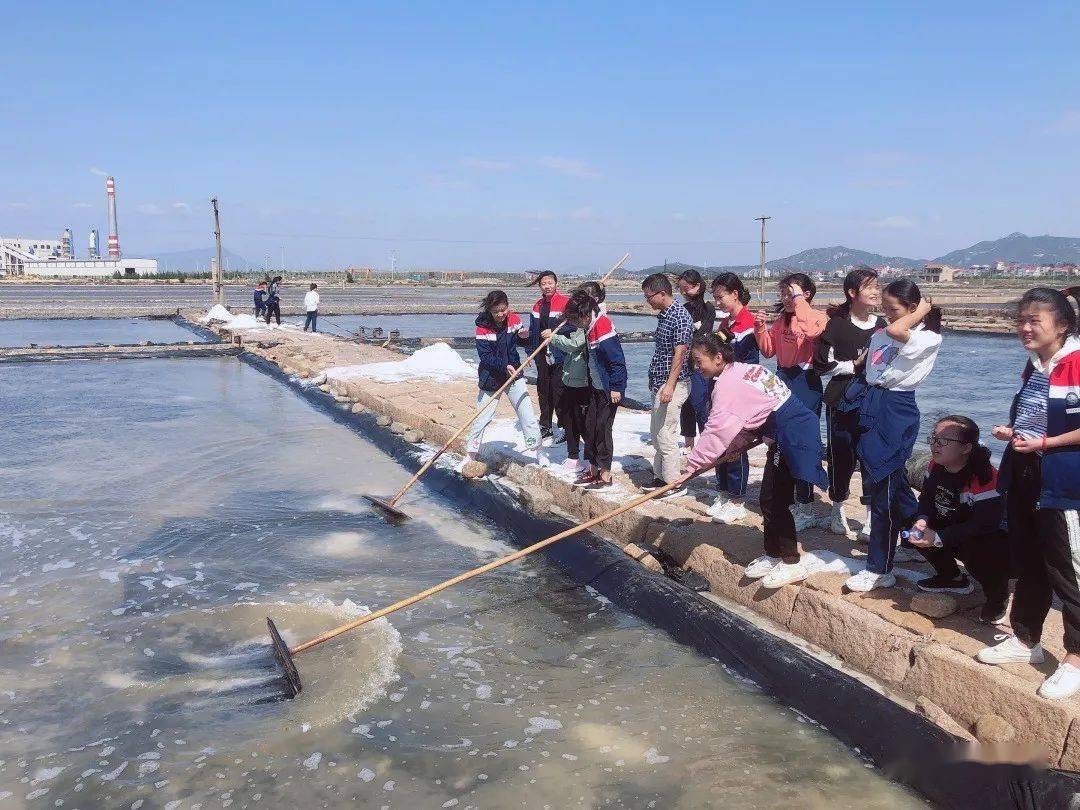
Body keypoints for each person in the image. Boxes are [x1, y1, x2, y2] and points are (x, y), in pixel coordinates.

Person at [978, 287, 1080, 700]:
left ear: (1063, 325)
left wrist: (1045, 445)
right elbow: (1034, 411)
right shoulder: (1036, 363)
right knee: (1028, 558)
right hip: (1024, 470)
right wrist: (1017, 434)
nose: (1024, 328)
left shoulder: (1076, 363)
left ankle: (1076, 659)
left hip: (1064, 479)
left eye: (1033, 320)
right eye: (1020, 319)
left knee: (1068, 569)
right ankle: (1026, 640)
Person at [685, 333, 829, 588]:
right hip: (781, 432)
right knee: (770, 499)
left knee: (775, 500)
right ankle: (773, 554)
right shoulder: (742, 369)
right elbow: (753, 416)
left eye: (699, 361)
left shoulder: (729, 384)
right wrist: (735, 447)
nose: (697, 368)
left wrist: (693, 465)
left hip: (792, 432)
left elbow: (718, 429)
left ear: (718, 358)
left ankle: (791, 561)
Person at [845, 278, 942, 592]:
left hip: (896, 408)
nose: (887, 315)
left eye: (893, 309)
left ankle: (879, 567)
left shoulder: (927, 337)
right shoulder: (882, 333)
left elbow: (899, 331)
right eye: (884, 308)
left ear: (913, 309)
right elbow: (871, 365)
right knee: (887, 480)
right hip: (871, 400)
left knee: (883, 490)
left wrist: (923, 311)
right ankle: (919, 534)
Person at [903, 416, 1009, 622]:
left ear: (966, 447)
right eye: (933, 438)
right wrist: (922, 520)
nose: (935, 445)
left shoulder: (985, 478)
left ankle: (997, 598)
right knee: (912, 528)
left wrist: (938, 537)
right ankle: (952, 577)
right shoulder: (935, 466)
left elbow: (985, 524)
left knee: (980, 552)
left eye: (943, 441)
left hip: (992, 536)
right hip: (953, 524)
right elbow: (926, 498)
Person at [813, 267, 885, 536]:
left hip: (873, 399)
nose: (876, 291)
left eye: (877, 286)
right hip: (841, 398)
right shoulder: (837, 324)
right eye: (869, 287)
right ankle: (837, 508)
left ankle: (869, 516)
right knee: (840, 455)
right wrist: (853, 364)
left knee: (871, 456)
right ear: (852, 293)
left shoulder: (882, 326)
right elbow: (820, 364)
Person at [755, 273, 828, 531]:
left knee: (804, 441)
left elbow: (811, 332)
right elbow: (767, 351)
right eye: (783, 294)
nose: (785, 298)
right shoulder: (782, 320)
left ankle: (807, 504)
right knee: (780, 439)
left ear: (806, 294)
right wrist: (761, 327)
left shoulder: (818, 316)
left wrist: (798, 305)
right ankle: (788, 496)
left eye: (791, 293)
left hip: (806, 381)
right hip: (783, 377)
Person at [551, 290, 626, 488]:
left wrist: (617, 387)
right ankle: (593, 469)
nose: (574, 325)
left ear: (585, 315)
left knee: (602, 429)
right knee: (590, 427)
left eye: (575, 320)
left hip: (609, 390)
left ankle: (605, 475)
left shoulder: (602, 326)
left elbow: (617, 360)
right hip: (595, 386)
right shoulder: (589, 326)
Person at [705, 273, 759, 524]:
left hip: (738, 390)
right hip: (720, 387)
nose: (717, 302)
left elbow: (748, 361)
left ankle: (737, 498)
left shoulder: (748, 323)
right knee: (719, 441)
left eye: (720, 297)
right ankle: (723, 491)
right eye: (714, 298)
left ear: (735, 294)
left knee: (735, 443)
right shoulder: (726, 322)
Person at [465, 290, 541, 465]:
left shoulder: (514, 319)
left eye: (503, 309)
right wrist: (503, 365)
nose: (500, 314)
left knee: (526, 413)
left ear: (508, 306)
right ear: (489, 310)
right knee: (482, 417)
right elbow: (485, 356)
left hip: (514, 374)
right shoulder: (482, 327)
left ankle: (537, 451)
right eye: (496, 311)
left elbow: (521, 342)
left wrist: (526, 339)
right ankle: (471, 454)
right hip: (491, 377)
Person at [639, 273, 694, 497]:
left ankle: (674, 483)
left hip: (674, 383)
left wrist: (670, 386)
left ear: (662, 293)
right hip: (660, 382)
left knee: (666, 434)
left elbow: (680, 354)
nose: (647, 301)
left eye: (649, 296)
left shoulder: (680, 316)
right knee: (656, 433)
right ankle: (660, 477)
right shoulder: (665, 315)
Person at [544, 304, 590, 473]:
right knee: (570, 419)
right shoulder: (577, 324)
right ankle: (573, 458)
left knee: (583, 422)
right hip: (570, 378)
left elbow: (574, 345)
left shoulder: (589, 325)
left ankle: (592, 461)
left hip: (582, 382)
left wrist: (553, 338)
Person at [527, 271, 570, 442]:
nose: (547, 286)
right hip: (542, 354)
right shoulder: (537, 306)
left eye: (550, 282)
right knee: (543, 390)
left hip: (561, 354)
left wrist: (553, 333)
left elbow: (572, 327)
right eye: (544, 283)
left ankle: (563, 427)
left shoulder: (566, 303)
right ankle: (545, 425)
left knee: (559, 390)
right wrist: (530, 353)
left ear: (556, 283)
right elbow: (533, 332)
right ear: (540, 286)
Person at [677, 270, 716, 452]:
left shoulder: (708, 308)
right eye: (682, 288)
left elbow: (704, 334)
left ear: (698, 286)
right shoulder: (683, 309)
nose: (684, 291)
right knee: (686, 403)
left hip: (700, 362)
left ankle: (705, 441)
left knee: (701, 402)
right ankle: (688, 442)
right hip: (685, 361)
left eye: (687, 287)